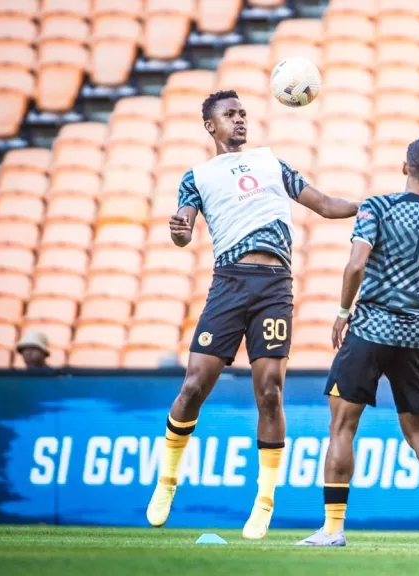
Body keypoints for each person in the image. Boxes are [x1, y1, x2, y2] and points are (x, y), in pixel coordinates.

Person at [145, 90, 360, 540]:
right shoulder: (197, 177)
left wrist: (370, 207)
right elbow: (183, 231)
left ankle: (264, 501)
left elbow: (321, 203)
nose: (240, 120)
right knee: (192, 387)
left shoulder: (270, 163)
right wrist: (180, 231)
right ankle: (166, 481)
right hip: (228, 284)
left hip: (274, 287)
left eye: (243, 113)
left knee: (270, 393)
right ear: (211, 126)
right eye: (230, 114)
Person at [296, 138, 419, 549]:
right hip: (415, 339)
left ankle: (332, 529)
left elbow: (356, 263)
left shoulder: (377, 207)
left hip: (368, 331)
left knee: (342, 426)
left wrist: (343, 312)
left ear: (405, 168)